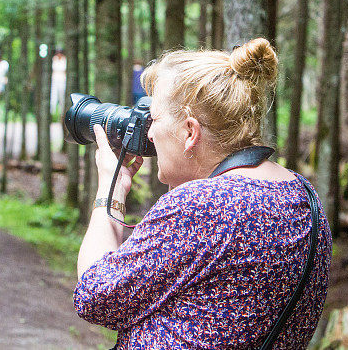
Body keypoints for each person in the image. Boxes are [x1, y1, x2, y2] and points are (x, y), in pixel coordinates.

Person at [74, 38, 332, 349]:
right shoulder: (303, 195)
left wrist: (110, 188)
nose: (150, 133)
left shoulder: (201, 208)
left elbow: (94, 294)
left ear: (190, 132)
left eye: (153, 119)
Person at [51, 48, 67, 116]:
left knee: (62, 96)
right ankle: (52, 112)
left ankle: (62, 112)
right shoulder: (54, 59)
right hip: (55, 80)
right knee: (54, 96)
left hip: (62, 79)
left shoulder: (64, 59)